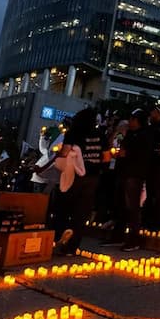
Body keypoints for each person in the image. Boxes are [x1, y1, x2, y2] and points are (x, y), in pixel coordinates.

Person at [52, 107, 107, 255]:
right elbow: (106, 157)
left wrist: (57, 155)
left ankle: (61, 235)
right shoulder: (101, 135)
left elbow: (65, 152)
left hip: (74, 176)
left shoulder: (73, 133)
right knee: (81, 213)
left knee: (64, 207)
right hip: (93, 177)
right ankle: (72, 247)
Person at [113, 109, 152, 248]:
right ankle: (118, 235)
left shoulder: (144, 135)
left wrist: (127, 153)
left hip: (135, 174)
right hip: (124, 172)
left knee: (132, 206)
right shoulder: (130, 134)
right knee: (121, 204)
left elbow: (144, 155)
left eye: (133, 119)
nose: (130, 122)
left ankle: (134, 239)